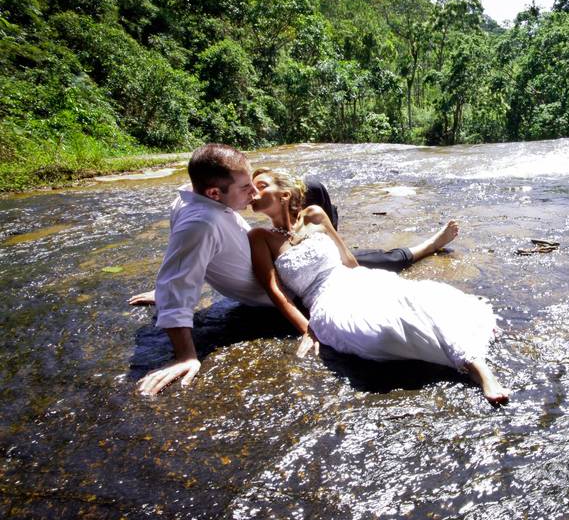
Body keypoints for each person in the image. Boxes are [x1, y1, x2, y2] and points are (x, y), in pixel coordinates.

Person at [134, 143, 458, 396]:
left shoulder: (192, 197)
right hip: (286, 281)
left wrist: (168, 283)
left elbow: (181, 262)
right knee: (372, 260)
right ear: (214, 193)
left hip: (285, 250)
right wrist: (185, 354)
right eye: (246, 187)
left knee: (318, 197)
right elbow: (182, 274)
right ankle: (425, 247)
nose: (252, 194)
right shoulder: (200, 223)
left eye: (254, 184)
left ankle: (327, 229)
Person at [248, 169, 510, 405]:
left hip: (353, 279)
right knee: (378, 332)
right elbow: (275, 292)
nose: (253, 192)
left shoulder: (315, 215)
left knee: (415, 300)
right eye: (250, 187)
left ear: (284, 193)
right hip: (323, 301)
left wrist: (372, 282)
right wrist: (307, 329)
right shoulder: (259, 237)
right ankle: (454, 357)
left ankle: (477, 367)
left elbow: (347, 259)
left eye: (261, 185)